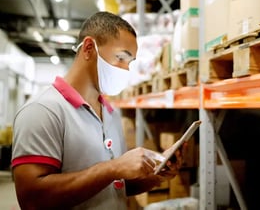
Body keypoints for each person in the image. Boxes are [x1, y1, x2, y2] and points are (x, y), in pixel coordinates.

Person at [11, 11, 182, 209]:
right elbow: (31, 199)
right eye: (120, 58)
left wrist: (156, 174)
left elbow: (116, 185)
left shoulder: (110, 113)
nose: (126, 70)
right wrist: (113, 167)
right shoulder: (42, 110)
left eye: (130, 63)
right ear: (89, 48)